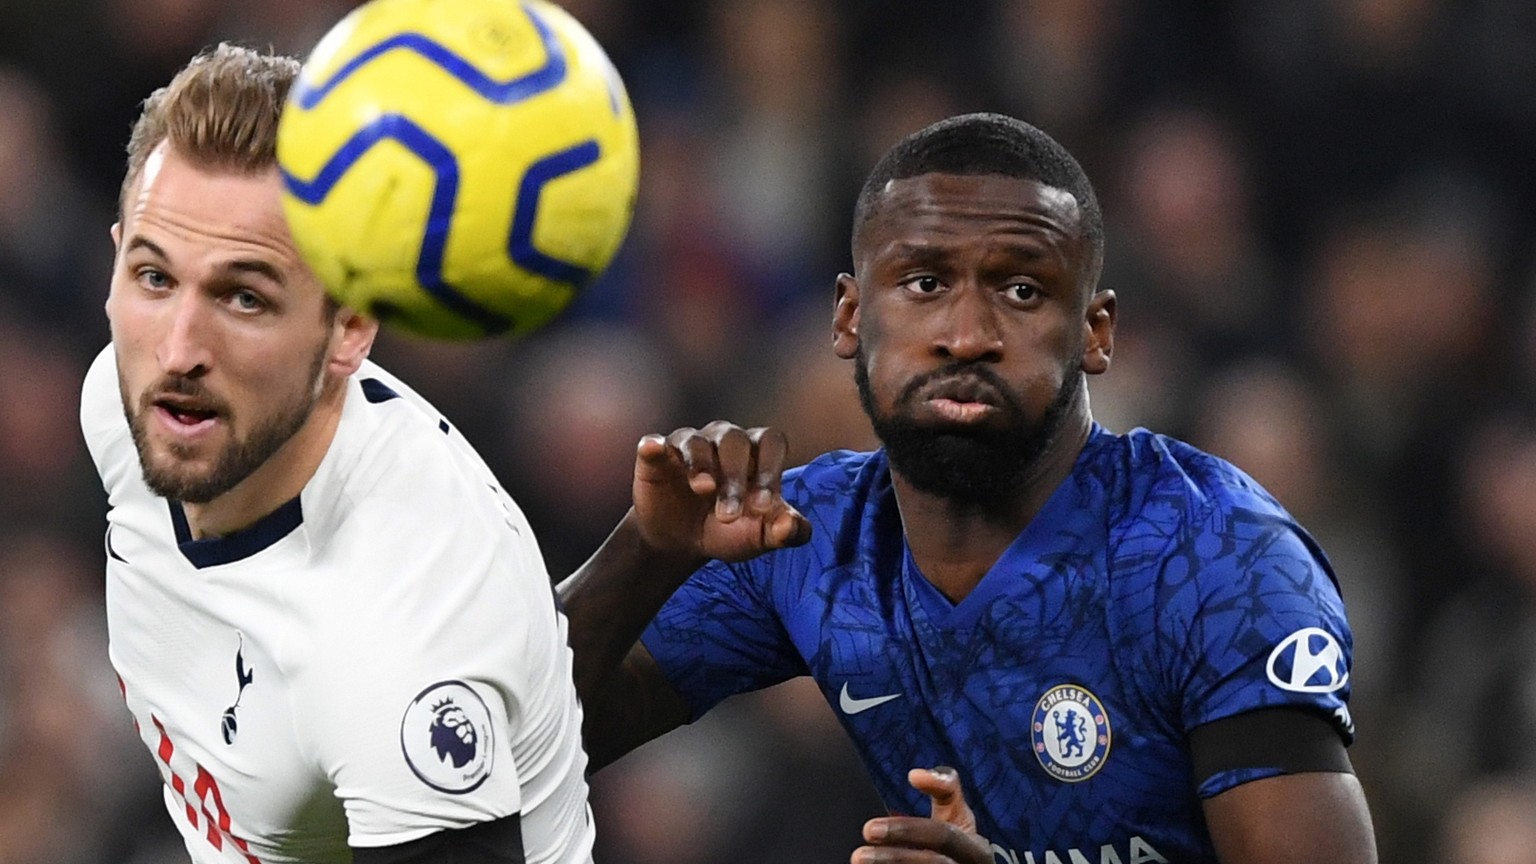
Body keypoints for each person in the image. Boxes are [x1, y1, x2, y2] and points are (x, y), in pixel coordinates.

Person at [560, 113, 1379, 864]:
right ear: (849, 318)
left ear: (1095, 333)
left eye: (1022, 290)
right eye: (923, 283)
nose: (966, 335)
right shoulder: (807, 539)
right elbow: (509, 738)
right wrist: (645, 550)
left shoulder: (1216, 556)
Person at [78, 44, 594, 863]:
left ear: (350, 328)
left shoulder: (393, 632)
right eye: (153, 277)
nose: (177, 348)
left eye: (243, 296)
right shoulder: (122, 402)